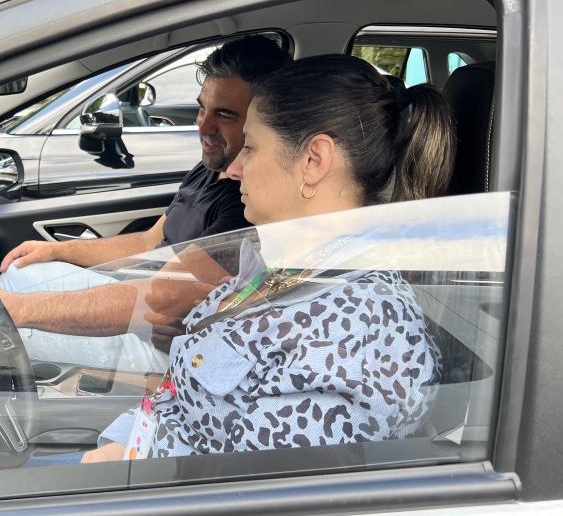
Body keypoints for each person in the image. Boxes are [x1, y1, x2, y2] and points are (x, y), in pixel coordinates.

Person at [80, 54, 453, 462]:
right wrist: (119, 446)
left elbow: (254, 481)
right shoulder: (288, 266)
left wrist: (122, 462)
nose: (234, 169)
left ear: (313, 160)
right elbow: (192, 402)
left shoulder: (366, 334)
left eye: (251, 147)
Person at [0, 35, 291, 371]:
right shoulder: (211, 168)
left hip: (165, 345)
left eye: (224, 115)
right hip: (146, 303)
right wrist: (59, 251)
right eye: (201, 109)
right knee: (19, 270)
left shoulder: (247, 206)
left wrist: (16, 309)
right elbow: (149, 241)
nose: (203, 126)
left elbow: (161, 300)